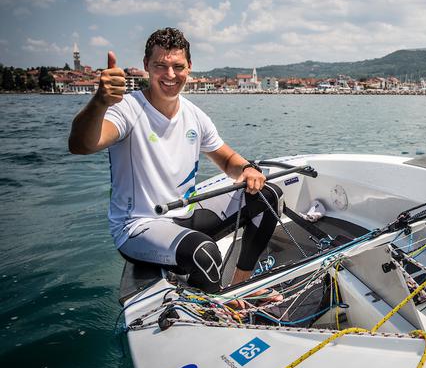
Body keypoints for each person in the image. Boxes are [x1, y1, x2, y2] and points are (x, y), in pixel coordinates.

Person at [68, 27, 281, 298]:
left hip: (184, 214)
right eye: (160, 66)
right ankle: (217, 311)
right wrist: (99, 102)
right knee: (205, 254)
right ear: (147, 66)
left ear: (189, 67)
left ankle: (239, 287)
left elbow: (228, 160)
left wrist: (247, 169)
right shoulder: (126, 109)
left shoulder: (195, 115)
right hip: (139, 226)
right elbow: (81, 145)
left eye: (178, 66)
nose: (170, 75)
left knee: (267, 196)